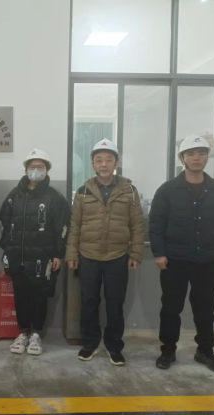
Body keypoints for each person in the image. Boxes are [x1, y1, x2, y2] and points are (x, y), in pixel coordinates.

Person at [149, 135, 214, 374]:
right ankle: (168, 350)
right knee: (170, 308)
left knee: (205, 310)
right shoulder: (167, 190)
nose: (196, 158)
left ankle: (205, 351)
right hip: (174, 260)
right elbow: (156, 224)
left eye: (201, 153)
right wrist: (159, 253)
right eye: (190, 154)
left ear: (207, 157)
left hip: (206, 260)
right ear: (182, 159)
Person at [66, 139, 144, 365]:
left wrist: (135, 254)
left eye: (108, 160)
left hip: (117, 257)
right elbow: (74, 226)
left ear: (116, 163)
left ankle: (114, 346)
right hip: (88, 256)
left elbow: (137, 226)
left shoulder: (130, 191)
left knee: (115, 303)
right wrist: (72, 255)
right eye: (99, 160)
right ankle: (89, 344)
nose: (103, 164)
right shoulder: (83, 192)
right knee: (89, 302)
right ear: (92, 164)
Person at [0, 149, 71, 356]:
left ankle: (37, 334)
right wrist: (7, 247)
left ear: (47, 170)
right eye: (32, 167)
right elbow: (4, 223)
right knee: (20, 296)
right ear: (26, 169)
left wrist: (58, 254)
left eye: (40, 167)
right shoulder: (14, 196)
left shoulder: (55, 197)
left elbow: (63, 227)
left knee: (40, 297)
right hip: (18, 258)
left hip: (44, 259)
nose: (36, 171)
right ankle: (23, 332)